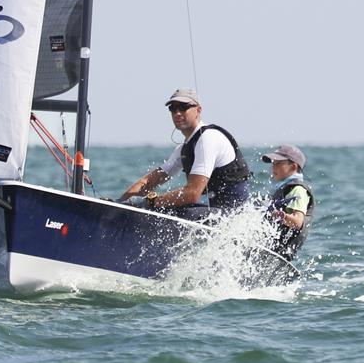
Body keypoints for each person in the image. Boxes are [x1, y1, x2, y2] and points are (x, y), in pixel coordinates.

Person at [119, 88, 251, 215]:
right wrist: (119, 204)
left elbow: (192, 194)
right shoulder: (184, 148)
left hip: (232, 217)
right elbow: (148, 182)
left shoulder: (208, 139)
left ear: (198, 110)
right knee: (157, 207)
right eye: (173, 109)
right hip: (214, 212)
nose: (177, 113)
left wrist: (151, 202)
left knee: (160, 209)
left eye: (183, 107)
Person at [262, 143, 314, 258]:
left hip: (281, 253)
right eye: (273, 164)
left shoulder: (298, 190)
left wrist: (280, 215)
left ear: (294, 167)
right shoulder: (284, 189)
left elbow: (297, 222)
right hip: (271, 248)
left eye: (278, 163)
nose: (273, 168)